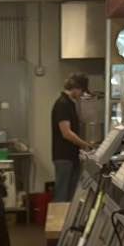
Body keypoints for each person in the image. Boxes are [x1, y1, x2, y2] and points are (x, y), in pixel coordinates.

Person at [51, 73, 95, 203]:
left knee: (69, 196)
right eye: (81, 91)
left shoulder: (70, 103)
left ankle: (66, 222)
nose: (82, 94)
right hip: (64, 157)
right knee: (62, 195)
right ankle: (59, 223)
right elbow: (66, 132)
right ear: (75, 88)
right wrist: (85, 145)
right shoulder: (62, 104)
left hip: (70, 156)